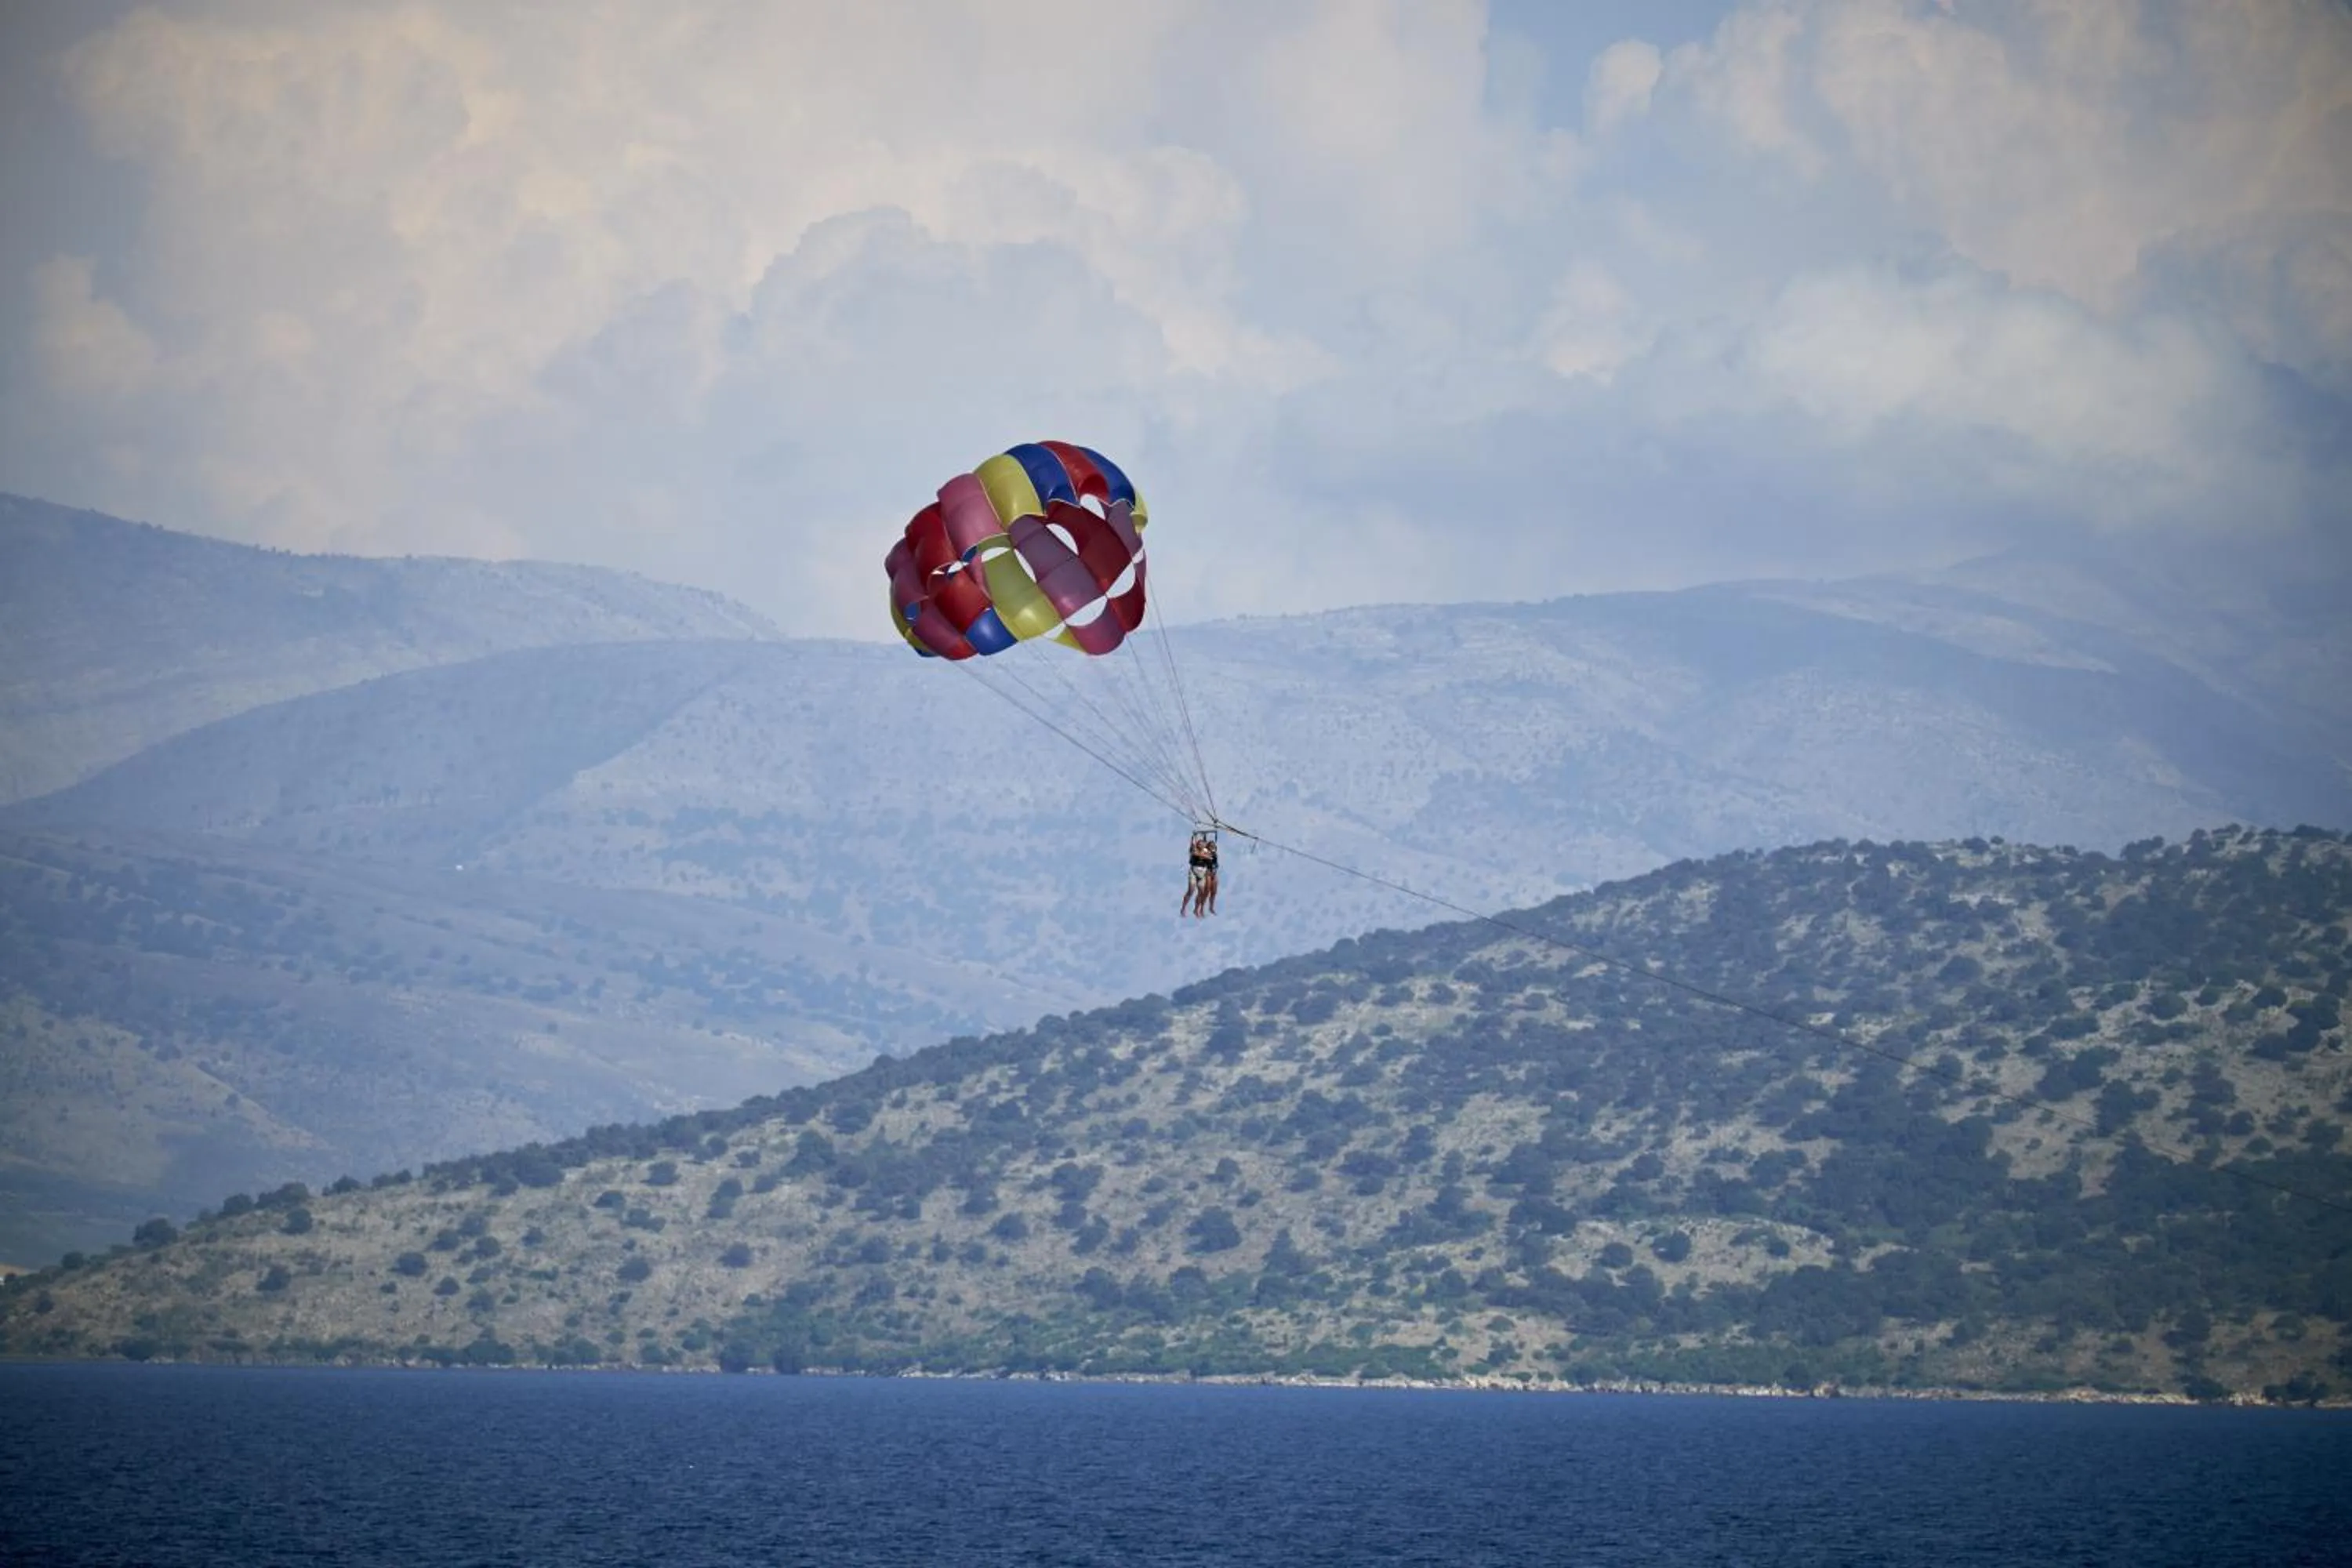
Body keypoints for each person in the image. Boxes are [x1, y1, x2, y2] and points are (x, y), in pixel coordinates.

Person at [1184, 830, 1219, 917]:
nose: (1212, 847)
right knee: (1203, 892)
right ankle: (1199, 909)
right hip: (1205, 873)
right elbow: (1196, 848)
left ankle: (1210, 908)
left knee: (1214, 892)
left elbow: (1206, 846)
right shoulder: (1202, 851)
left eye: (1213, 846)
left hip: (1214, 873)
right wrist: (1194, 838)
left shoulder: (1213, 852)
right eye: (1211, 846)